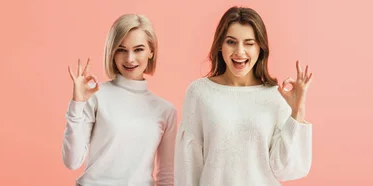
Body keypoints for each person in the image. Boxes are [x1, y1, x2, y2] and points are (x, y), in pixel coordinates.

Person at [174, 6, 314, 186]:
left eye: (249, 43)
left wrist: (297, 111)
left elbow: (286, 170)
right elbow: (188, 166)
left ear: (260, 48)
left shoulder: (276, 96)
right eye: (231, 42)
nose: (239, 52)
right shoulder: (199, 93)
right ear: (220, 46)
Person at [62, 14, 176, 186]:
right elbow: (72, 162)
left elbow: (167, 177)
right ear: (112, 52)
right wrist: (77, 104)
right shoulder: (96, 96)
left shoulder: (166, 111)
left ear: (151, 51)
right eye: (121, 50)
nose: (130, 59)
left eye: (138, 49)